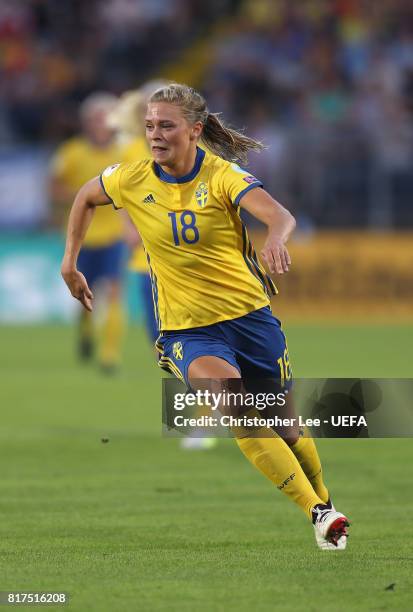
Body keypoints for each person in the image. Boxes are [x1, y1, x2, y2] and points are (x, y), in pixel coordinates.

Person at [61, 83, 350, 549]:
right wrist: (69, 261)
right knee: (237, 407)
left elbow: (278, 215)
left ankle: (325, 507)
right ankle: (318, 511)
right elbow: (83, 198)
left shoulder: (221, 175)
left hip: (251, 321)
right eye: (150, 125)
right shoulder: (130, 177)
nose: (155, 134)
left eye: (166, 126)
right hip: (187, 329)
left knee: (288, 429)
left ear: (194, 131)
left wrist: (276, 237)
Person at [50, 92, 126, 373]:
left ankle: (109, 356)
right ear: (86, 122)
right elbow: (53, 187)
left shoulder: (123, 153)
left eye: (105, 118)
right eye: (95, 118)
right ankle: (85, 333)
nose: (100, 123)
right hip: (83, 237)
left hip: (114, 236)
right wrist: (84, 195)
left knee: (115, 292)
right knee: (84, 293)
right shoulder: (71, 153)